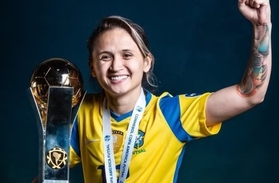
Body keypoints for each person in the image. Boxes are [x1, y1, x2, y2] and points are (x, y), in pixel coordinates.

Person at [32, 0, 272, 182]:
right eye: (105, 57)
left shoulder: (172, 114)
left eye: (127, 55)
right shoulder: (80, 114)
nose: (116, 66)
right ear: (93, 68)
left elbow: (250, 94)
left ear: (146, 62)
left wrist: (262, 27)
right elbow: (51, 173)